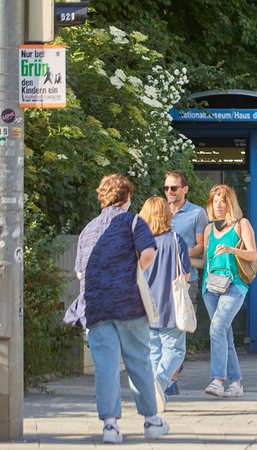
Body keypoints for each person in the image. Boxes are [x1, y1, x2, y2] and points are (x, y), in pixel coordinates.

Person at [73, 174, 169, 443]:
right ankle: (151, 421)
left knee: (105, 364)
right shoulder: (133, 221)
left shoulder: (88, 230)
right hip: (127, 303)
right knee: (138, 359)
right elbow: (149, 252)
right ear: (127, 197)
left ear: (102, 197)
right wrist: (134, 273)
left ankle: (110, 426)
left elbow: (81, 273)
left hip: (95, 305)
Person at [201, 184, 257, 398]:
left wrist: (233, 250)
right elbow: (206, 261)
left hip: (234, 285)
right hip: (211, 286)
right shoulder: (208, 230)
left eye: (223, 201)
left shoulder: (241, 225)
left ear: (230, 203)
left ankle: (217, 380)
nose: (219, 205)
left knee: (216, 328)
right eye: (215, 201)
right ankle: (236, 382)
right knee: (224, 333)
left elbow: (252, 255)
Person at [139, 197, 192, 412]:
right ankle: (159, 383)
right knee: (176, 351)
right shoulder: (175, 240)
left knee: (153, 352)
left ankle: (153, 398)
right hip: (170, 305)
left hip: (144, 305)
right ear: (166, 215)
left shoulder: (138, 242)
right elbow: (185, 273)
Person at [162, 170, 209, 396]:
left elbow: (201, 247)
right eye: (166, 188)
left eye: (174, 188)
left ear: (184, 189)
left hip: (186, 280)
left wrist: (175, 251)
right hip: (160, 280)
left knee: (180, 327)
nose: (169, 192)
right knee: (160, 329)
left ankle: (171, 379)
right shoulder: (160, 212)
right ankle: (163, 377)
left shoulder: (197, 213)